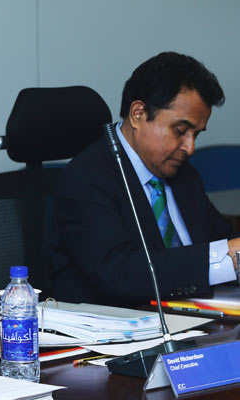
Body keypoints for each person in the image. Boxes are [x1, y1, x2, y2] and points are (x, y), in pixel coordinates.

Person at [50, 52, 240, 306]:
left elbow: (221, 241)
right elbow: (120, 273)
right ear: (138, 114)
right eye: (181, 131)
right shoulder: (86, 177)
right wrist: (228, 256)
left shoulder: (183, 174)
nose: (190, 147)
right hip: (121, 332)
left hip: (200, 324)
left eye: (197, 134)